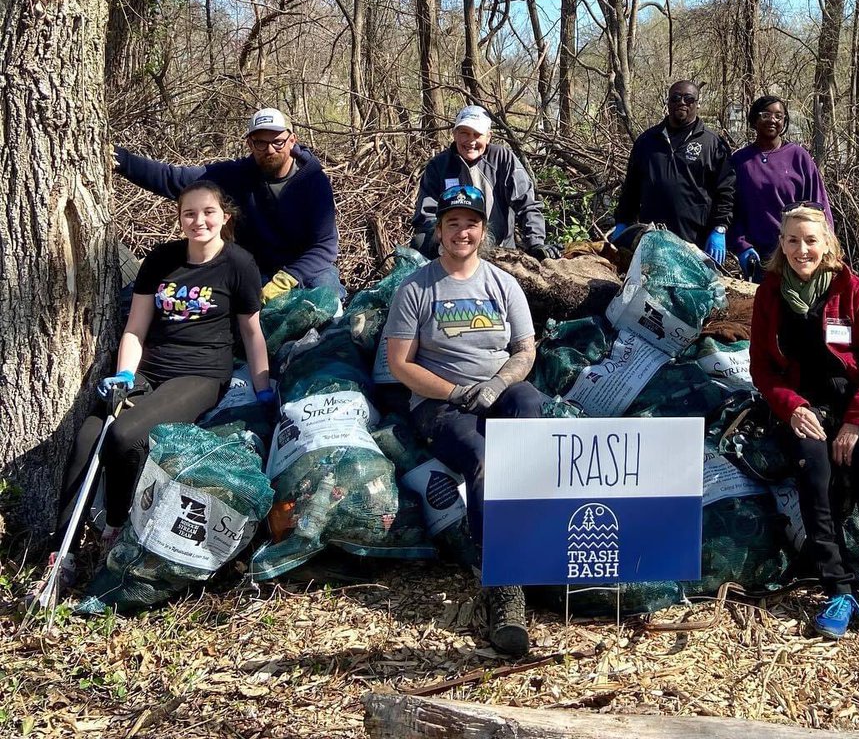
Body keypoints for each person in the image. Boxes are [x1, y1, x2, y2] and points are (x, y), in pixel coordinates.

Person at [31, 182, 272, 598]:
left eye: (208, 212)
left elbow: (251, 334)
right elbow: (136, 327)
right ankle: (61, 556)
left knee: (126, 434)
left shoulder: (239, 265)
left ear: (224, 217)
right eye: (189, 214)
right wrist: (125, 375)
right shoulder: (161, 260)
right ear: (179, 219)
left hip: (200, 375)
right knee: (90, 435)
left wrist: (264, 388)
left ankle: (116, 523)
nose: (199, 221)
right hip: (148, 369)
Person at [384, 183, 543, 657]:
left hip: (498, 389)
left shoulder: (502, 283)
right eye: (452, 223)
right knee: (482, 459)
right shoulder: (417, 287)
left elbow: (525, 350)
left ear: (483, 230)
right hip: (441, 404)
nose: (462, 232)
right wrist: (457, 391)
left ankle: (534, 539)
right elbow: (400, 364)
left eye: (471, 223)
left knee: (532, 413)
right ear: (438, 231)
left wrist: (496, 385)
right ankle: (504, 587)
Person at [749, 205, 859, 649]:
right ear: (781, 246)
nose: (802, 249)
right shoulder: (769, 294)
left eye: (811, 240)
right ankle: (839, 590)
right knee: (815, 472)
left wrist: (856, 424)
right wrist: (791, 407)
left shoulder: (850, 289)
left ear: (827, 245)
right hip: (808, 403)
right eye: (792, 241)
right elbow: (762, 370)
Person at [115, 107, 341, 301]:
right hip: (257, 269)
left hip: (306, 270)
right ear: (250, 144)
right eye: (260, 143)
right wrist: (121, 160)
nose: (270, 149)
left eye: (278, 141)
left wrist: (288, 278)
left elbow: (325, 246)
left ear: (292, 140)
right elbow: (172, 178)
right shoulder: (236, 175)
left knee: (327, 297)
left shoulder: (314, 182)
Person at [411, 105, 559, 261]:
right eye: (464, 133)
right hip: (453, 245)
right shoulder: (438, 165)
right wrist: (445, 243)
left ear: (488, 136)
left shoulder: (502, 159)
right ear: (454, 134)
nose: (471, 141)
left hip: (498, 248)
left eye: (477, 134)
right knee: (420, 241)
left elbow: (527, 204)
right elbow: (426, 215)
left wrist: (535, 243)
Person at [612, 80, 735, 263]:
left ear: (697, 104)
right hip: (652, 240)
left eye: (689, 98)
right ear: (668, 102)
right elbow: (631, 188)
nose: (682, 102)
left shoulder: (713, 144)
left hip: (695, 241)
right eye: (676, 98)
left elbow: (726, 191)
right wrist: (623, 221)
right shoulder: (647, 142)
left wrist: (719, 227)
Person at [730, 95, 832, 281]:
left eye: (779, 116)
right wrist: (741, 245)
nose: (772, 120)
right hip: (759, 257)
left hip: (797, 253)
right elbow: (732, 210)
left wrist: (827, 246)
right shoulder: (740, 161)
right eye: (766, 115)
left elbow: (818, 205)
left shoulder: (798, 157)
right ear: (754, 119)